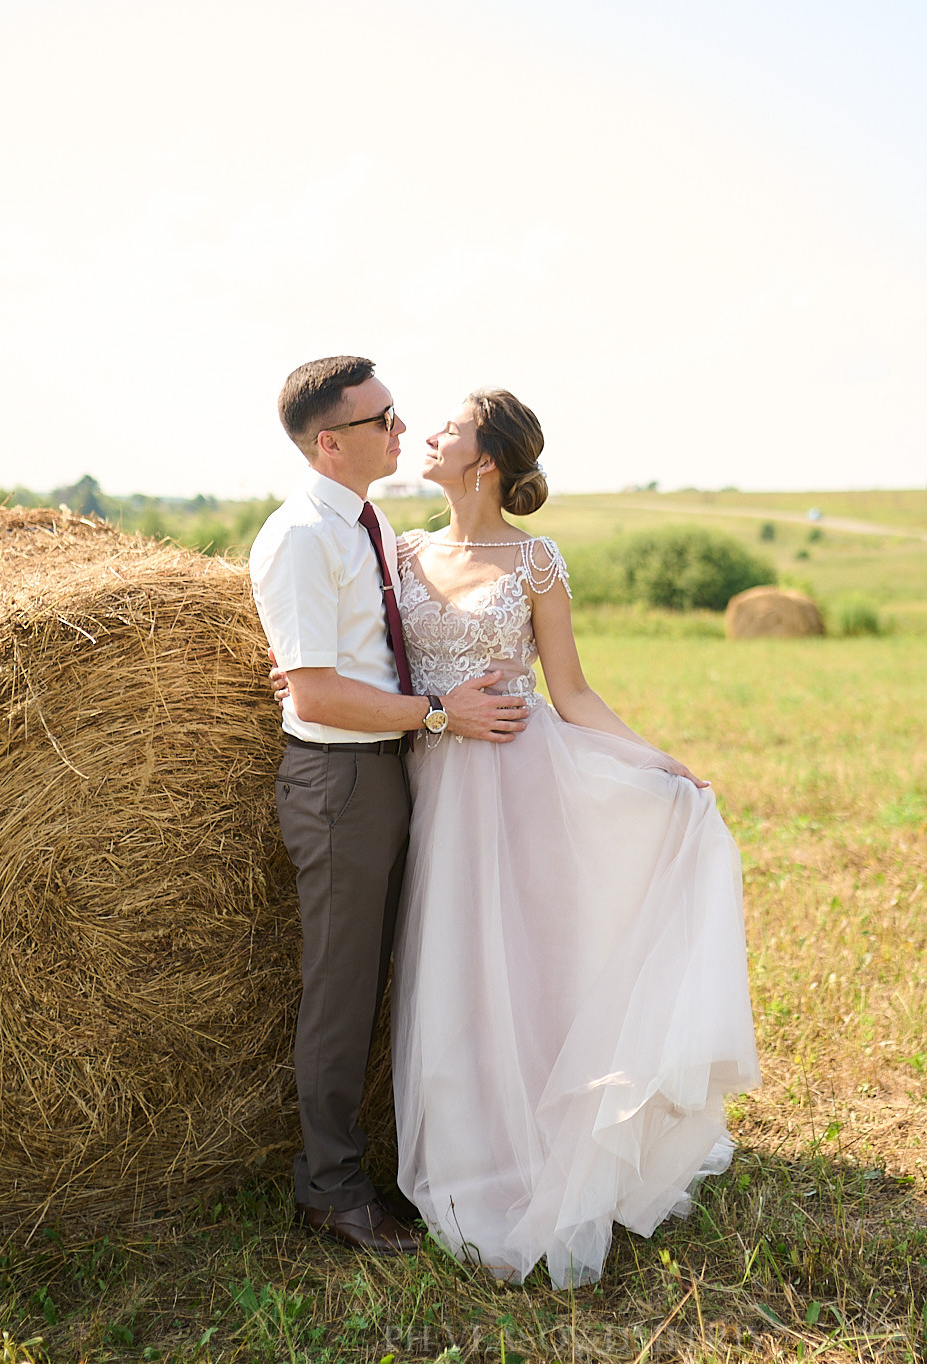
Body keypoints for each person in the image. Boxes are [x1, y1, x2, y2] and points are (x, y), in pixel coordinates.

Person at [382, 388, 760, 1287]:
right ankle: (463, 1137)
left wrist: (660, 763)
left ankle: (536, 1149)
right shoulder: (397, 553)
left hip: (518, 782)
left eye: (448, 427)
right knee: (445, 964)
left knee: (524, 964)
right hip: (427, 774)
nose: (427, 433)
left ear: (484, 462)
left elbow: (574, 693)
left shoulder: (537, 562)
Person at [247, 356, 531, 1257]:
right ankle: (330, 1188)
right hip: (341, 785)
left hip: (392, 771)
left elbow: (342, 657)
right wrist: (444, 713)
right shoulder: (302, 535)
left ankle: (414, 1159)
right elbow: (318, 696)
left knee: (400, 973)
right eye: (382, 420)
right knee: (343, 988)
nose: (401, 430)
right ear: (329, 443)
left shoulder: (367, 525)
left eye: (400, 414)